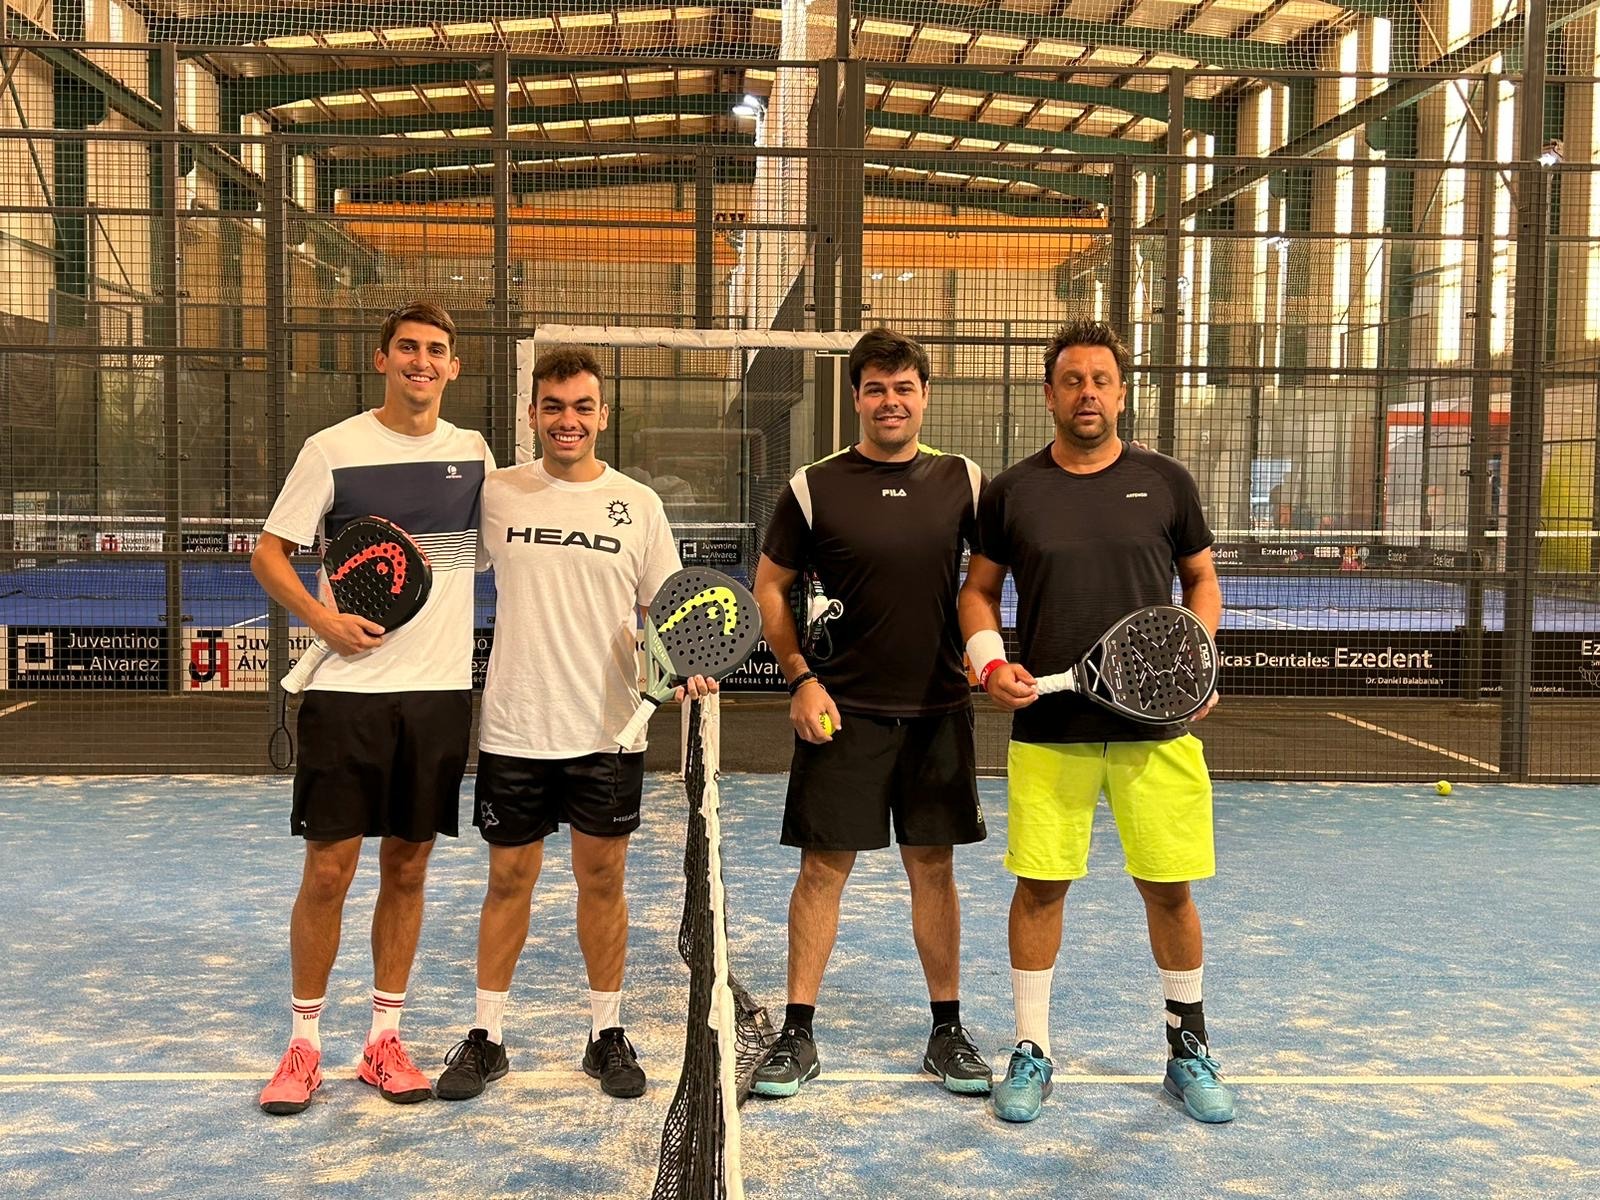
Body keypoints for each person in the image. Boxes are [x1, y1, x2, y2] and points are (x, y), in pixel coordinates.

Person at [958, 318, 1233, 1125]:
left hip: (1156, 732)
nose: (1087, 393)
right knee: (1040, 887)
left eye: (1101, 380)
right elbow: (978, 592)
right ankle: (1032, 1049)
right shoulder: (1013, 491)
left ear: (1121, 392)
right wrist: (989, 663)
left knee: (1170, 891)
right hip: (1052, 730)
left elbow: (1201, 580)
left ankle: (1188, 1050)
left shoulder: (1167, 481)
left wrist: (1194, 661)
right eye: (1072, 380)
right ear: (1050, 395)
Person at [432, 344, 712, 1102]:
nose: (568, 420)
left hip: (607, 731)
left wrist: (688, 663)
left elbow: (667, 611)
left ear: (602, 416)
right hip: (515, 725)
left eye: (582, 407)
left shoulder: (638, 505)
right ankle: (487, 1037)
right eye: (553, 407)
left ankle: (605, 1033)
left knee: (603, 879)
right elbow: (442, 564)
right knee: (507, 881)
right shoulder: (496, 494)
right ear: (532, 414)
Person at [253, 301, 493, 1114]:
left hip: (436, 695)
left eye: (436, 350)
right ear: (383, 358)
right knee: (329, 870)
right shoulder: (333, 449)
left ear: (453, 366)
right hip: (345, 696)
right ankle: (303, 1045)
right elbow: (269, 554)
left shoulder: (474, 454)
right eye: (408, 348)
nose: (422, 361)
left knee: (409, 866)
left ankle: (383, 1041)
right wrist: (320, 620)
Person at [748, 328, 991, 1099]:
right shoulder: (814, 486)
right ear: (856, 397)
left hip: (938, 711)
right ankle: (797, 1033)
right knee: (822, 870)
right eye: (876, 388)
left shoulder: (963, 480)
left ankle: (947, 1031)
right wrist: (799, 677)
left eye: (904, 387)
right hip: (842, 713)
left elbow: (986, 582)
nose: (891, 401)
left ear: (925, 396)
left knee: (934, 869)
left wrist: (986, 652)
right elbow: (769, 586)